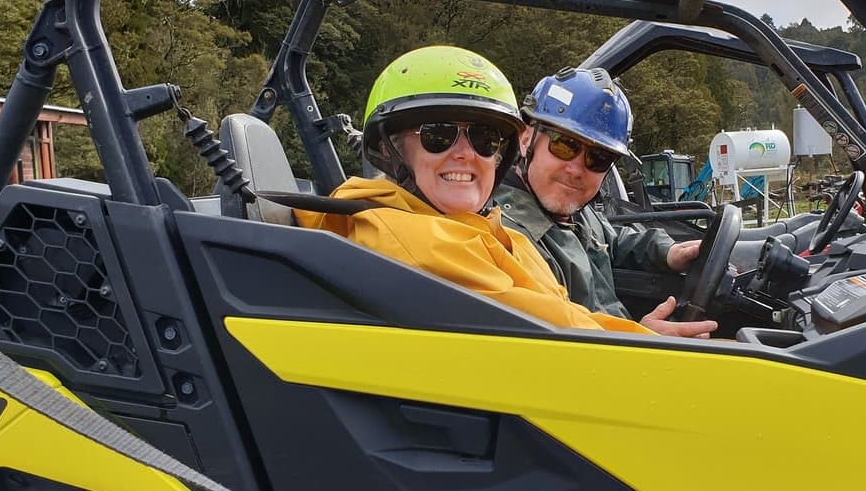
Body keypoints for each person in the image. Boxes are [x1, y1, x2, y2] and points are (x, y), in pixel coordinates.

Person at [295, 47, 653, 334]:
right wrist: (653, 341)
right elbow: (560, 332)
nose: (466, 154)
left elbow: (566, 312)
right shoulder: (411, 239)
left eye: (485, 139)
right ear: (392, 151)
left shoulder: (484, 229)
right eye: (438, 135)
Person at [499, 68, 717, 339]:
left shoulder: (574, 212)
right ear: (525, 140)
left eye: (598, 158)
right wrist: (640, 338)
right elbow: (554, 342)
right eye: (564, 145)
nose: (576, 170)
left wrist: (667, 252)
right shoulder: (505, 237)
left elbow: (613, 241)